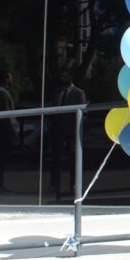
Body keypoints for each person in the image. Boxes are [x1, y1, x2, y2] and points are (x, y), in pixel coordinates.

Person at [48, 67, 87, 195]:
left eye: (65, 76)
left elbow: (82, 112)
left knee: (73, 158)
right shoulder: (57, 92)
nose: (62, 79)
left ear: (71, 77)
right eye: (61, 76)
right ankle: (54, 183)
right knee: (55, 158)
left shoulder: (78, 92)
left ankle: (74, 184)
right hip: (57, 129)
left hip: (71, 130)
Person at [0, 69, 16, 194]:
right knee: (0, 158)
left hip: (2, 129)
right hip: (3, 130)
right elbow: (6, 113)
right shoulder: (1, 92)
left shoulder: (3, 92)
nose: (11, 79)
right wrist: (12, 130)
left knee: (1, 159)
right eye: (10, 77)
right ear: (6, 78)